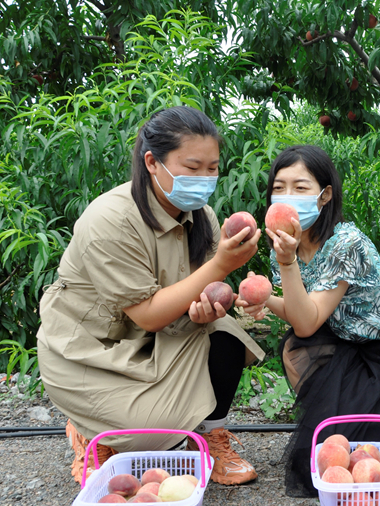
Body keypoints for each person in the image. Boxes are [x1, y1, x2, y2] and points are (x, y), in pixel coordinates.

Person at [37, 106, 266, 486]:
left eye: (212, 168)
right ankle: (88, 429)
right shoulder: (109, 218)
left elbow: (196, 296)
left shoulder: (202, 217)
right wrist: (222, 265)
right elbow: (146, 315)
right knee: (151, 438)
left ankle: (210, 436)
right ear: (152, 162)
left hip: (154, 343)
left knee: (225, 330)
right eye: (193, 167)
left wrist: (218, 304)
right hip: (89, 352)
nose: (205, 178)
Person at [240, 145, 380, 497]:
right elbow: (301, 314)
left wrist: (286, 265)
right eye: (279, 187)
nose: (288, 197)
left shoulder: (345, 243)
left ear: (324, 195)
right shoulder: (286, 246)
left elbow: (308, 320)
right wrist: (266, 299)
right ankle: (344, 415)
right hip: (348, 349)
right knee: (295, 350)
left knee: (349, 457)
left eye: (300, 188)